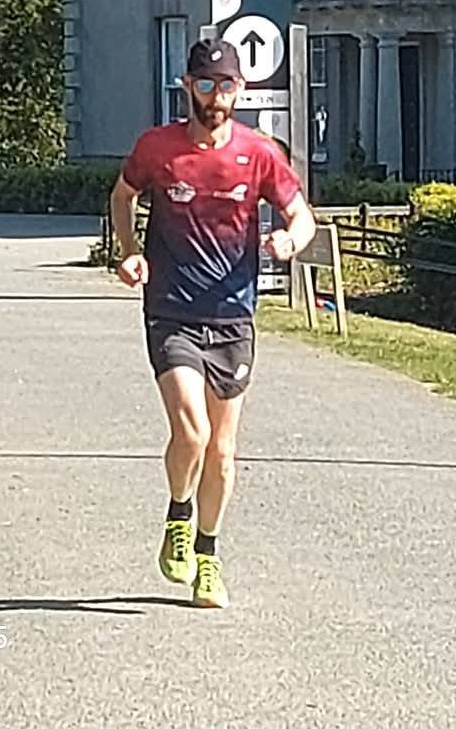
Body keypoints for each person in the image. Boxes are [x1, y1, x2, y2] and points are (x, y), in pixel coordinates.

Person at [110, 38, 316, 609]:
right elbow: (122, 196)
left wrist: (289, 241)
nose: (215, 98)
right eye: (206, 85)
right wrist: (129, 251)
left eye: (226, 87)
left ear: (239, 91)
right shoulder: (158, 148)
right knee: (192, 432)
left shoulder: (259, 153)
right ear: (188, 87)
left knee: (222, 451)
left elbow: (301, 216)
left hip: (233, 317)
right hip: (171, 310)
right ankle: (179, 513)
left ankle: (207, 554)